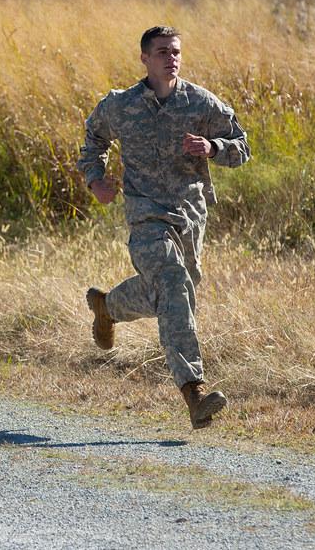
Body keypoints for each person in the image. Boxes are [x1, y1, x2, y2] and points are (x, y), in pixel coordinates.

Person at [77, 25, 250, 429]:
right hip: (146, 215)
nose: (171, 57)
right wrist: (94, 179)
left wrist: (213, 148)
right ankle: (194, 394)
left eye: (175, 51)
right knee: (173, 283)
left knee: (172, 293)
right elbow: (93, 138)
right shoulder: (121, 105)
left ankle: (108, 307)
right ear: (144, 58)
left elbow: (242, 147)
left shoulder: (200, 102)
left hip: (190, 216)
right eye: (161, 52)